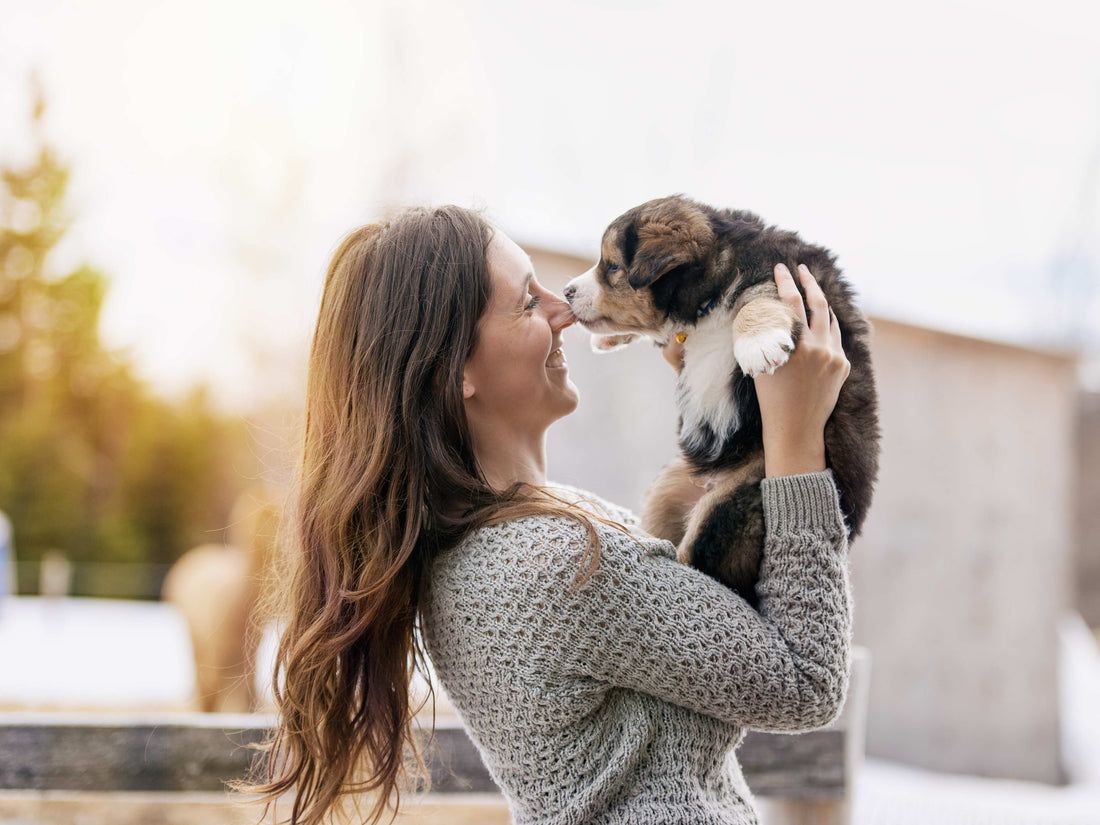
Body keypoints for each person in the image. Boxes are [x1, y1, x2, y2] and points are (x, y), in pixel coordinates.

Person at [245, 205, 852, 825]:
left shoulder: (502, 544)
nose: (562, 308)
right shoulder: (562, 564)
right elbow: (807, 681)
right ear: (455, 370)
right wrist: (797, 442)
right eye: (526, 303)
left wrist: (715, 380)